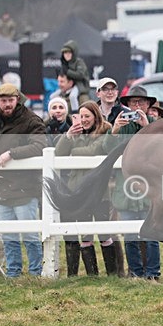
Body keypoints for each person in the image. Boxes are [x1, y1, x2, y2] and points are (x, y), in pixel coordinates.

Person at [0, 83, 46, 277]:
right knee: (8, 233)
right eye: (3, 100)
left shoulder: (31, 120)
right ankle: (14, 271)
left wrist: (12, 153)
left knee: (30, 232)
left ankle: (35, 272)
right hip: (2, 185)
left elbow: (40, 146)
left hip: (25, 186)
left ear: (18, 100)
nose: (7, 104)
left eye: (10, 100)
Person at [56, 102, 118, 277]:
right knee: (84, 233)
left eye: (87, 116)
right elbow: (59, 154)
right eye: (81, 116)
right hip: (78, 190)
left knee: (104, 232)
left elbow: (94, 151)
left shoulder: (105, 131)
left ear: (95, 116)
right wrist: (67, 136)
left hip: (99, 190)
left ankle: (112, 273)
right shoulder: (75, 134)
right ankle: (92, 274)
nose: (83, 120)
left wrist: (74, 151)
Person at [105, 89, 161, 279]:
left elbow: (160, 151)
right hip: (126, 187)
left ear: (148, 105)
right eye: (133, 102)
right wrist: (114, 131)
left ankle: (153, 273)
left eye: (141, 102)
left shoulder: (155, 125)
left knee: (151, 234)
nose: (137, 106)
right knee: (130, 235)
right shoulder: (121, 126)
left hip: (150, 188)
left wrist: (147, 128)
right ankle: (135, 272)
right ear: (127, 105)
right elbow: (108, 151)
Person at [61, 41, 91, 106]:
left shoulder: (79, 62)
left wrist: (68, 72)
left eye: (69, 52)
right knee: (53, 96)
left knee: (72, 96)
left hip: (80, 86)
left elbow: (80, 75)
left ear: (73, 53)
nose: (67, 55)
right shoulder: (65, 64)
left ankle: (75, 112)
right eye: (65, 53)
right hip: (68, 88)